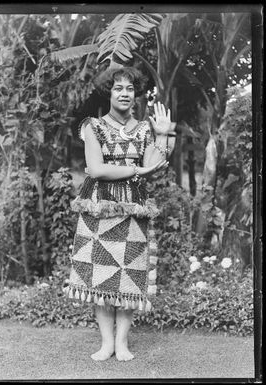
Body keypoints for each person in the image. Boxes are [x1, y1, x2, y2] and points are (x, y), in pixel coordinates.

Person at [64, 66, 176, 361]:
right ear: (109, 93)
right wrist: (136, 170)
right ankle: (106, 343)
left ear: (135, 93)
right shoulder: (93, 127)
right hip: (99, 205)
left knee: (129, 276)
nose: (124, 93)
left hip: (134, 205)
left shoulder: (143, 129)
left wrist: (164, 135)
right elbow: (97, 169)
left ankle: (122, 343)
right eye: (118, 88)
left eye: (129, 88)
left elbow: (153, 166)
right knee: (101, 275)